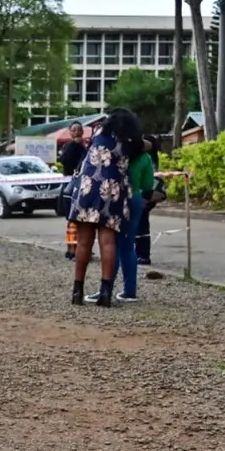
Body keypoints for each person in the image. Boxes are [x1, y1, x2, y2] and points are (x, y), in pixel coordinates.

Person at [69, 109, 146, 307]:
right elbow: (146, 146)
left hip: (88, 188)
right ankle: (105, 294)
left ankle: (77, 291)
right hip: (112, 192)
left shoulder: (98, 135)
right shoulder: (132, 144)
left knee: (84, 242)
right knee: (108, 243)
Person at [59, 121, 88, 259]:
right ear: (70, 132)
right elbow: (64, 160)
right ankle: (71, 249)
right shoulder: (67, 146)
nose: (77, 132)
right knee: (71, 219)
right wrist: (74, 145)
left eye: (79, 129)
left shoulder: (86, 147)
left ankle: (82, 247)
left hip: (84, 186)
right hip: (70, 186)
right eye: (74, 130)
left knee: (83, 219)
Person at [135, 135, 161, 265]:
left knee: (141, 224)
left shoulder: (148, 159)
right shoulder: (148, 158)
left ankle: (143, 254)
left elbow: (151, 181)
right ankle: (141, 253)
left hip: (144, 195)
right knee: (140, 224)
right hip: (142, 195)